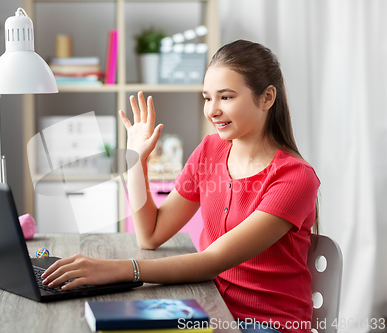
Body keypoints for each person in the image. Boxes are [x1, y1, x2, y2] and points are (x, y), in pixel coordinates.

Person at [41, 40, 320, 333]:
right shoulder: (210, 150)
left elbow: (213, 261)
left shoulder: (295, 178)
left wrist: (120, 270)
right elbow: (150, 234)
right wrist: (136, 161)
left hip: (266, 324)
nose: (212, 110)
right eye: (206, 98)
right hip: (209, 309)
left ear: (267, 98)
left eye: (226, 97)